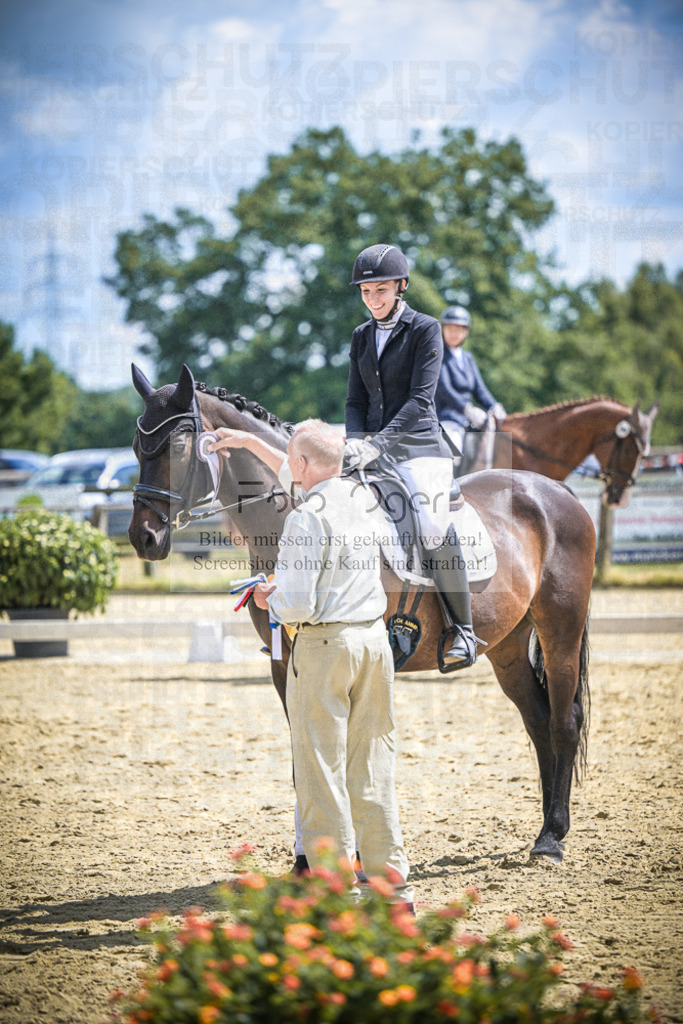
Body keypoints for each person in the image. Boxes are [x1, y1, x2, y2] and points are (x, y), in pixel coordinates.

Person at [210, 419, 414, 907]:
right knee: (373, 768)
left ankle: (334, 890)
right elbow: (303, 465)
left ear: (301, 465)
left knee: (322, 771)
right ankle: (392, 888)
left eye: (293, 463)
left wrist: (266, 597)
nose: (290, 472)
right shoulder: (363, 499)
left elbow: (296, 607)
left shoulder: (305, 517)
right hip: (374, 644)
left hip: (326, 649)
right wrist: (248, 442)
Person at [345, 244, 478, 669]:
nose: (373, 299)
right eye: (366, 292)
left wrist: (378, 444)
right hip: (368, 449)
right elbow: (354, 399)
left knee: (432, 524)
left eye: (380, 290)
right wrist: (354, 442)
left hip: (420, 448)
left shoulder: (425, 328)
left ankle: (463, 631)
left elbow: (422, 400)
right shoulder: (361, 336)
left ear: (401, 287)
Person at [435, 305, 506, 455]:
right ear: (443, 329)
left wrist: (494, 405)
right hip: (446, 419)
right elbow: (444, 389)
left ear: (465, 332)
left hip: (470, 420)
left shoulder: (467, 358)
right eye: (450, 329)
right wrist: (468, 410)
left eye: (458, 329)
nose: (454, 333)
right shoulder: (437, 354)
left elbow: (479, 389)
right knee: (453, 451)